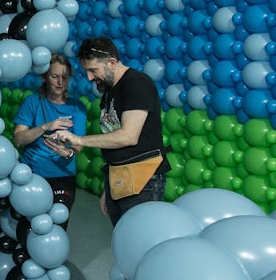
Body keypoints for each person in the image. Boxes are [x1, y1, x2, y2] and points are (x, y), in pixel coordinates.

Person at [54, 37, 169, 226]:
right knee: (122, 239)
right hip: (120, 178)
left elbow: (128, 136)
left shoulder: (136, 84)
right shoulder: (109, 92)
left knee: (138, 238)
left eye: (93, 70)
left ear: (112, 63)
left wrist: (79, 140)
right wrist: (109, 189)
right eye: (87, 72)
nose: (90, 77)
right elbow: (113, 141)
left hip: (144, 181)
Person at [12, 53, 86, 229]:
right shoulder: (32, 102)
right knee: (30, 227)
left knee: (57, 225)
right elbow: (18, 139)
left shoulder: (77, 107)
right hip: (32, 175)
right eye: (55, 76)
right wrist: (45, 127)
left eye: (65, 77)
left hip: (63, 176)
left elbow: (79, 145)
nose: (60, 82)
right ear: (44, 78)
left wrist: (68, 152)